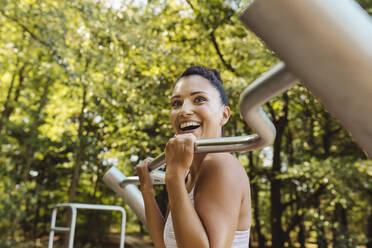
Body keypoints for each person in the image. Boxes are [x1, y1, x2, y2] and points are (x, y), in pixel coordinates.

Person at [136, 66, 251, 248]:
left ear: (224, 115)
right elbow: (164, 244)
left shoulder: (221, 164)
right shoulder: (187, 174)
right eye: (176, 103)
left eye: (199, 99)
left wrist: (173, 177)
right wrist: (147, 190)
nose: (184, 110)